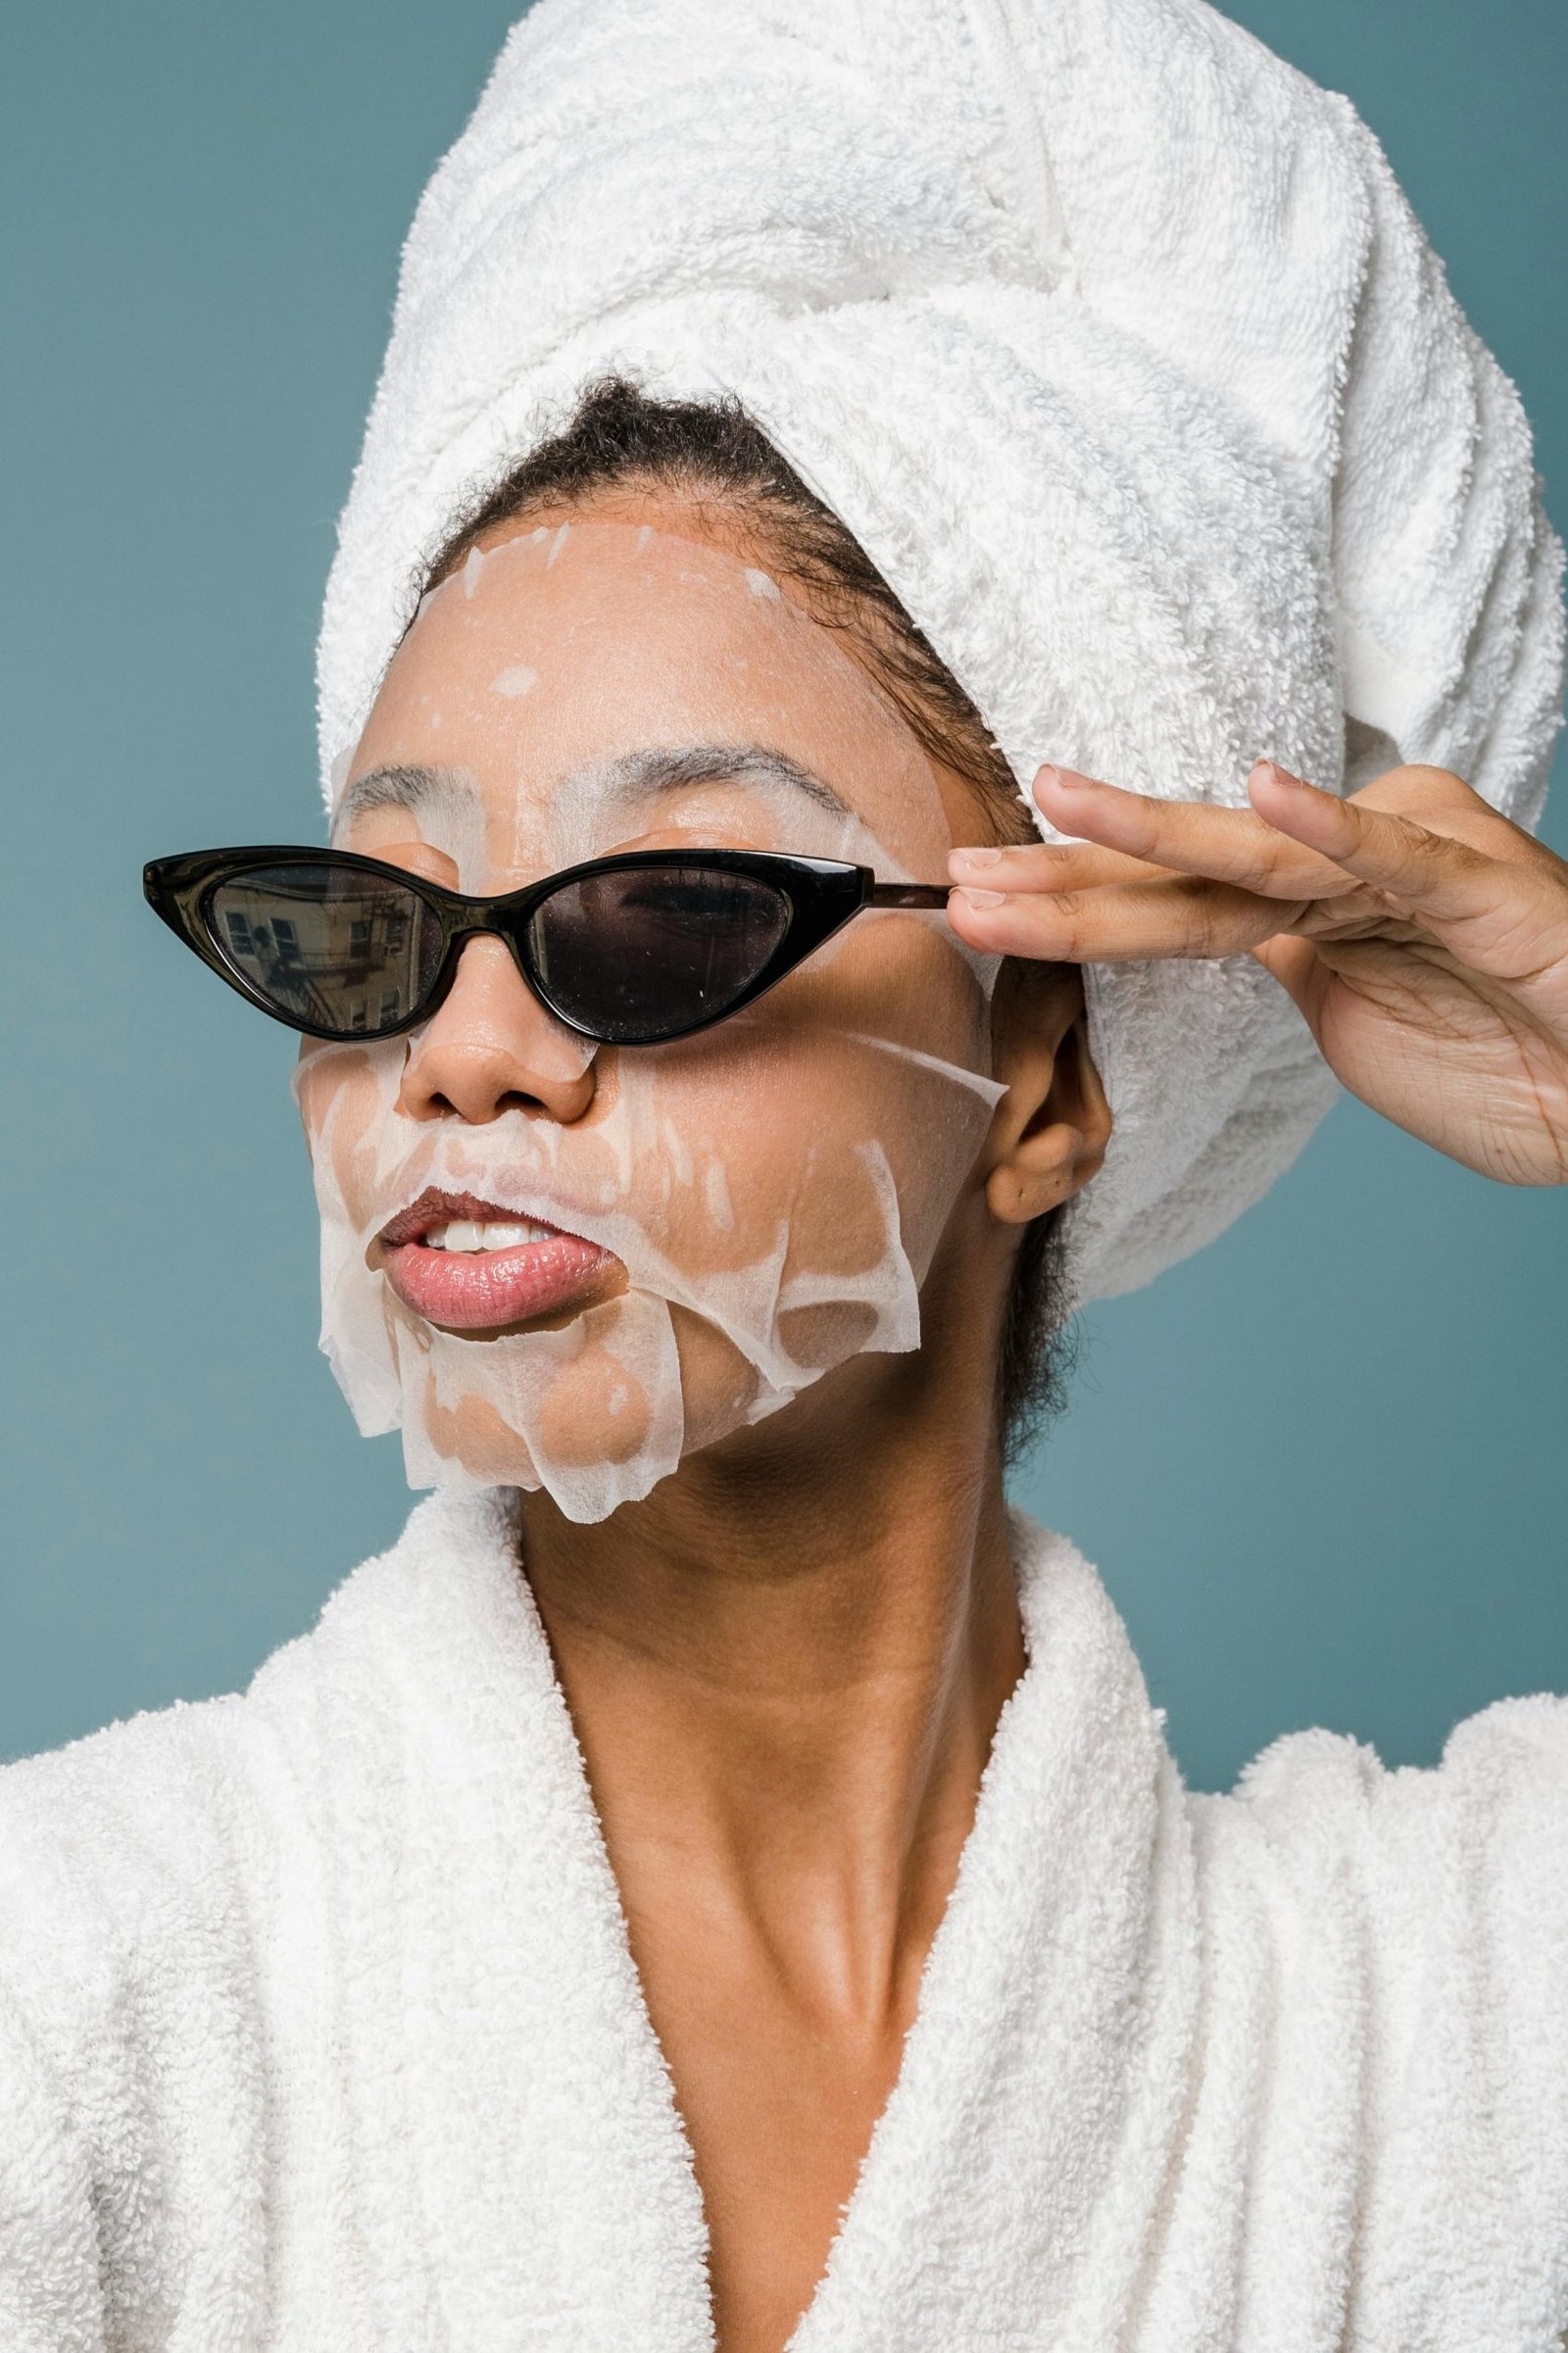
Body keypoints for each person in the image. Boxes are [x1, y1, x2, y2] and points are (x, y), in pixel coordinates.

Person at [4, 3, 1567, 2350]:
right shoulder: (73, 2004)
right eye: (375, 924)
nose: (463, 1051)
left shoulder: (1440, 2040)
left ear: (1038, 1073)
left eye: (661, 912)